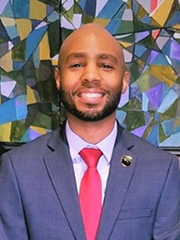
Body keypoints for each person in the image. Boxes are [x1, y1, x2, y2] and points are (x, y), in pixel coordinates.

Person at [0, 23, 180, 240]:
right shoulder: (17, 168)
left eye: (105, 66)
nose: (91, 76)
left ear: (124, 81)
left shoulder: (162, 170)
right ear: (58, 78)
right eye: (76, 65)